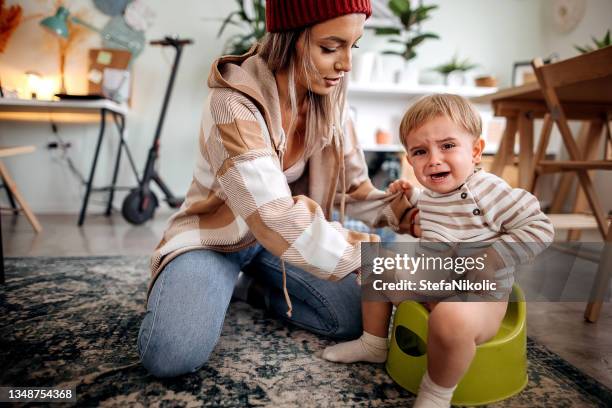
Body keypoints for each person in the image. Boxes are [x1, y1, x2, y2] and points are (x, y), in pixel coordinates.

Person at [137, 0, 417, 379]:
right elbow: (273, 217)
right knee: (171, 355)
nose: (346, 64)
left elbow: (351, 192)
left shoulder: (332, 98)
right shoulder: (231, 103)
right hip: (217, 238)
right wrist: (372, 260)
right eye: (330, 48)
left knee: (356, 318)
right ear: (289, 38)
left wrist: (403, 212)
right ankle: (210, 280)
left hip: (286, 243)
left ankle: (252, 288)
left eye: (354, 46)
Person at [320, 94, 554, 408]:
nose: (433, 159)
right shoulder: (433, 192)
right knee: (372, 262)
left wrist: (496, 257)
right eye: (420, 151)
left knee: (450, 318)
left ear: (475, 151)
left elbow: (540, 228)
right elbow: (436, 205)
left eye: (447, 146)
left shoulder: (489, 190)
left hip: (479, 298)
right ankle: (373, 343)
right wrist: (408, 194)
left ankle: (436, 393)